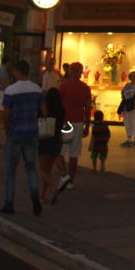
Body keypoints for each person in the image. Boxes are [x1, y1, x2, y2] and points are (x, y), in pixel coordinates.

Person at [0, 59, 44, 216]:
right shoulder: (37, 89)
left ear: (17, 72)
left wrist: (7, 128)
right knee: (31, 167)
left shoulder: (11, 90)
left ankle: (9, 202)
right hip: (32, 132)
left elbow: (6, 112)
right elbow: (43, 110)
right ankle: (34, 195)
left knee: (11, 168)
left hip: (16, 132)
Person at [56, 61, 92, 191]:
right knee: (74, 153)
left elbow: (58, 103)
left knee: (59, 151)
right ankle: (71, 180)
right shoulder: (85, 88)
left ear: (71, 71)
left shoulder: (64, 86)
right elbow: (87, 108)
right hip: (78, 121)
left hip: (66, 122)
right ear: (81, 73)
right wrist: (87, 125)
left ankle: (64, 175)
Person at [37, 85, 67, 204]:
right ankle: (42, 195)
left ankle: (52, 187)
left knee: (43, 170)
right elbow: (64, 123)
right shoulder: (62, 109)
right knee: (48, 169)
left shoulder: (45, 108)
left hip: (45, 139)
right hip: (57, 139)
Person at [118, 70, 135, 147]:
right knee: (127, 122)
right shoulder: (127, 85)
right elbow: (122, 93)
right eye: (132, 76)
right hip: (127, 106)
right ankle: (129, 139)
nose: (133, 77)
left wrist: (134, 100)